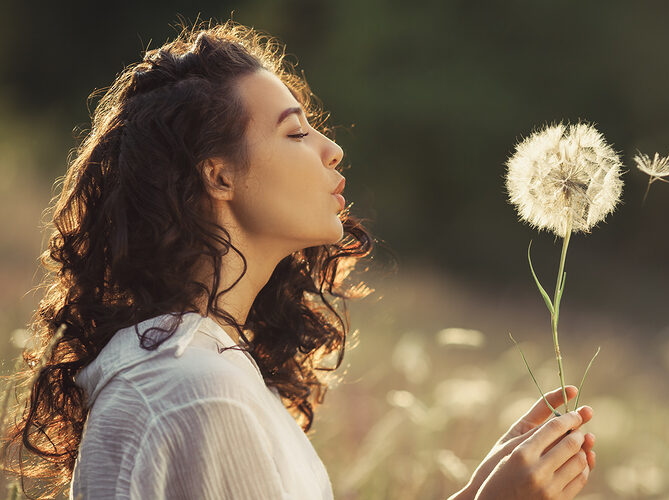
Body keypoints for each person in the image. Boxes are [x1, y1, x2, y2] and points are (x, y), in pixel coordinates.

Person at [0, 20, 596, 499]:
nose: (332, 150)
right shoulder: (199, 391)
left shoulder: (199, 366)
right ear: (219, 175)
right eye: (295, 133)